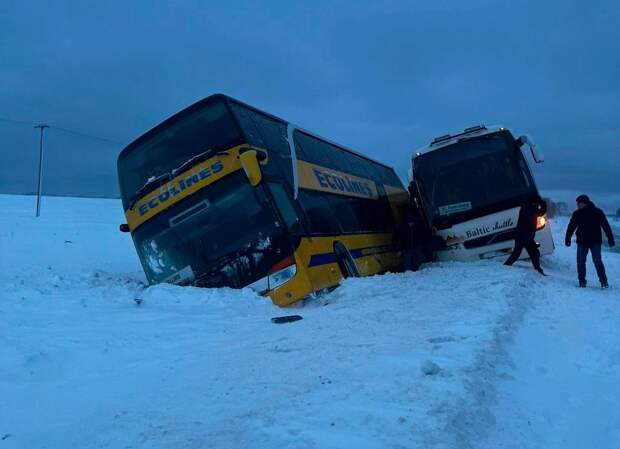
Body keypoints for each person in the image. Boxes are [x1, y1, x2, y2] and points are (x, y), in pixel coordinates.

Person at [565, 194, 615, 288]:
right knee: (580, 261)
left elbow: (606, 226)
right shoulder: (577, 213)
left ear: (585, 203)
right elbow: (571, 226)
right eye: (577, 203)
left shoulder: (597, 212)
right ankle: (582, 281)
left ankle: (604, 282)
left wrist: (610, 239)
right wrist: (567, 238)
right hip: (582, 241)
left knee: (597, 261)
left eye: (579, 203)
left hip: (595, 241)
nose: (578, 205)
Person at [504, 195, 547, 275]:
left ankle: (538, 269)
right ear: (534, 202)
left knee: (524, 253)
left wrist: (543, 204)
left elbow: (540, 212)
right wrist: (541, 204)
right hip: (523, 236)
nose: (537, 205)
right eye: (536, 203)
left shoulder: (530, 207)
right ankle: (538, 269)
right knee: (527, 253)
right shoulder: (526, 208)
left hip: (526, 236)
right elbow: (537, 213)